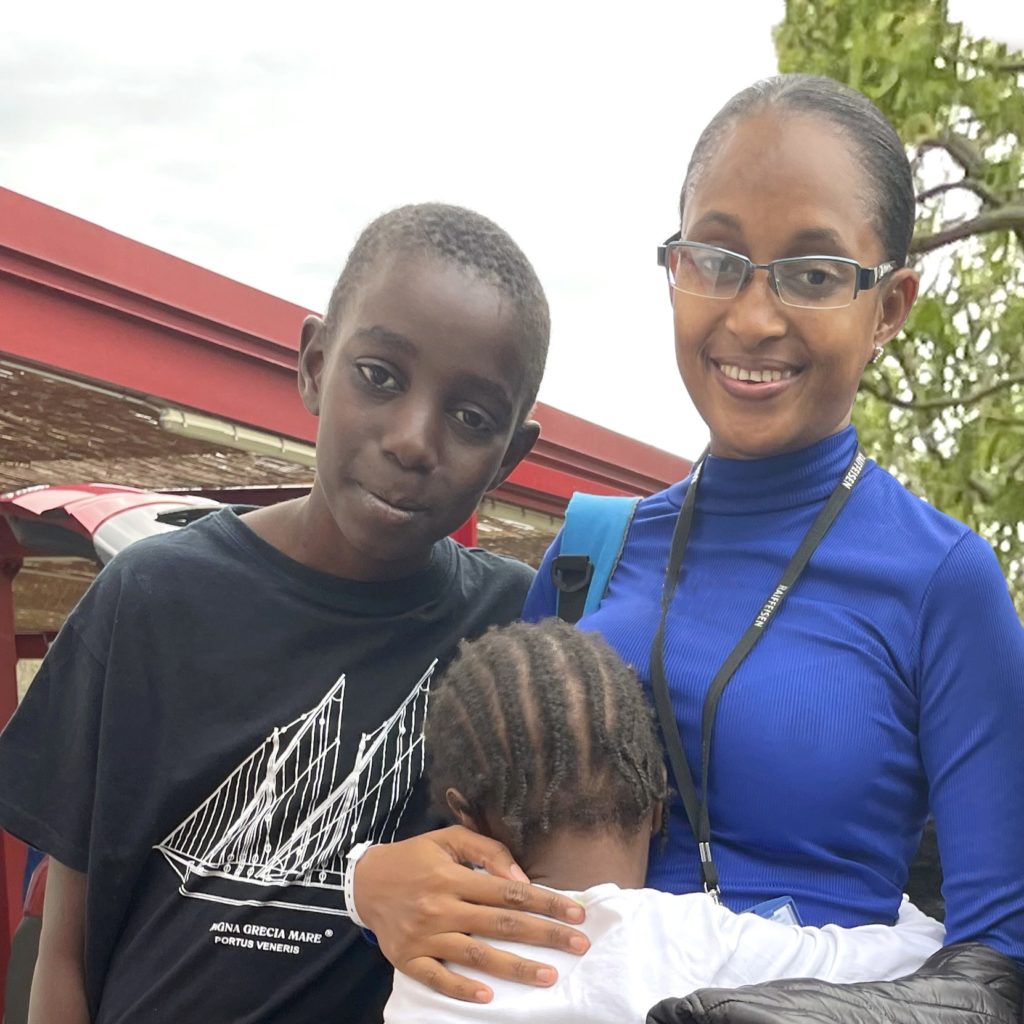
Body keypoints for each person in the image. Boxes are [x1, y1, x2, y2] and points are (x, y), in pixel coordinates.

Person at [349, 74, 1024, 1004]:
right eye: (716, 258)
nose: (752, 316)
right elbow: (480, 837)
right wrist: (381, 884)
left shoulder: (944, 582)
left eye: (815, 274)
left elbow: (1002, 964)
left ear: (891, 307)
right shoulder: (588, 556)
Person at [0, 202, 587, 1024]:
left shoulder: (507, 632)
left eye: (472, 418)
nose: (414, 439)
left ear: (509, 459)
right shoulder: (151, 601)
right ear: (314, 364)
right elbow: (63, 943)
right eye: (380, 376)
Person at [384, 619, 945, 1023]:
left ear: (465, 813)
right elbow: (910, 957)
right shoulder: (692, 939)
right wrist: (898, 902)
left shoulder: (429, 951)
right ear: (658, 803)